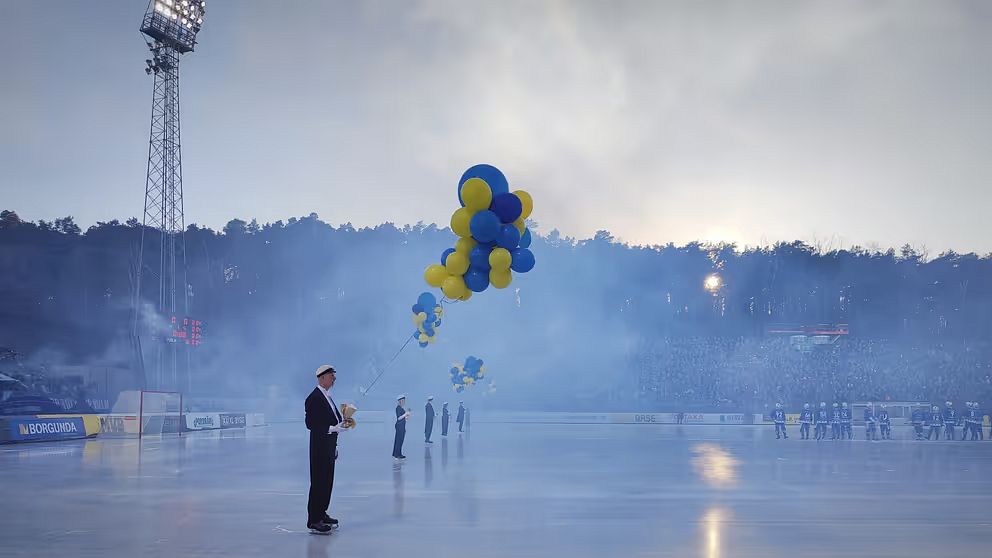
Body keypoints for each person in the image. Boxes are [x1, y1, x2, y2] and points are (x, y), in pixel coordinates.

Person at [305, 364, 347, 533]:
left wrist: (341, 425)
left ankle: (321, 513)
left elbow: (333, 419)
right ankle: (314, 519)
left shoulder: (328, 397)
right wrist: (333, 429)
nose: (334, 379)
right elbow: (311, 424)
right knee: (318, 482)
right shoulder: (313, 398)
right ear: (321, 378)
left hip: (329, 447)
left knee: (327, 482)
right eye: (331, 376)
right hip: (319, 448)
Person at [393, 395, 411, 459]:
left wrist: (407, 415)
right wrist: (405, 414)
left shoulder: (401, 408)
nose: (404, 402)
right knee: (398, 440)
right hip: (399, 426)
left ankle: (399, 453)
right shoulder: (398, 408)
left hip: (402, 426)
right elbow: (399, 418)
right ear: (400, 401)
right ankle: (396, 454)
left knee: (401, 440)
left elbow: (404, 418)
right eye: (403, 401)